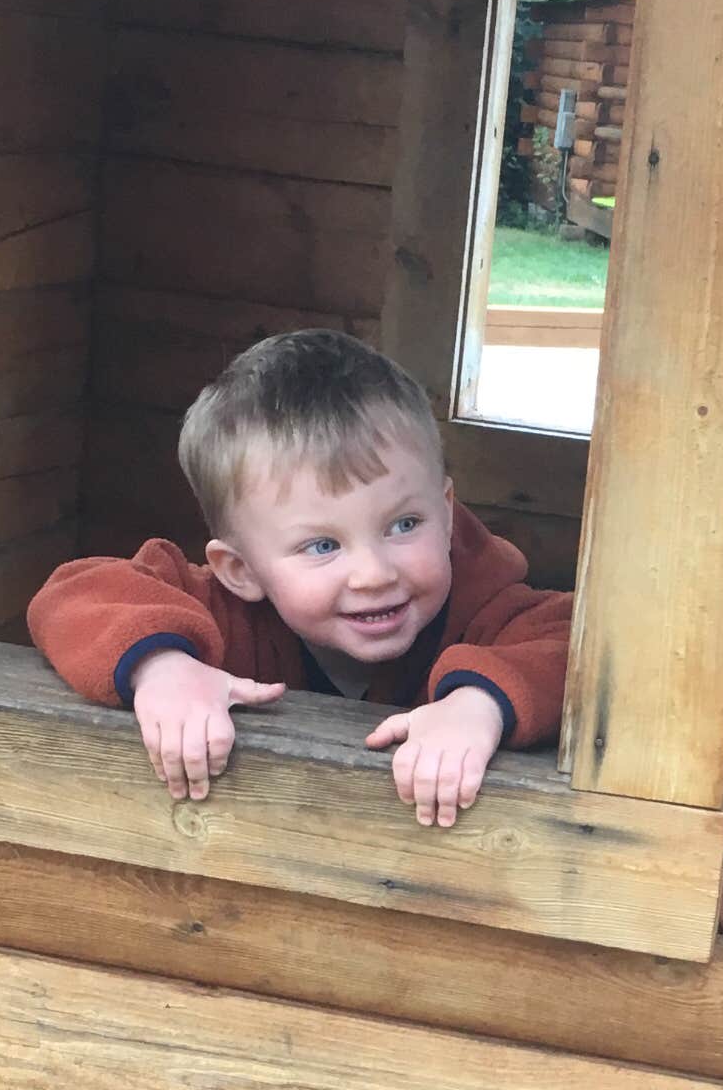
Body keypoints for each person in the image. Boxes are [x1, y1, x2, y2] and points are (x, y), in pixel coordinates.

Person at [28, 330, 572, 829]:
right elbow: (75, 590)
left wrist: (479, 703)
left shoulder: (483, 605)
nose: (374, 574)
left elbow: (576, 641)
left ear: (448, 512)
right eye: (323, 545)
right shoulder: (220, 612)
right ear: (241, 571)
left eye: (404, 525)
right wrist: (163, 667)